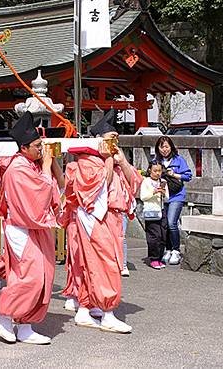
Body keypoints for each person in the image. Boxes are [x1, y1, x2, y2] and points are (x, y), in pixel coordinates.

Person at [0, 112, 63, 345]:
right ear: (23, 147)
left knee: (42, 275)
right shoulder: (18, 169)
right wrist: (48, 165)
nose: (41, 150)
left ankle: (25, 325)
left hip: (32, 227)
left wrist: (47, 166)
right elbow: (39, 193)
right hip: (21, 227)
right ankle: (5, 315)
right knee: (30, 277)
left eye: (41, 145)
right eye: (37, 146)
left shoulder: (28, 164)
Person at [68, 110, 141, 333]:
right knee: (103, 263)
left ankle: (85, 308)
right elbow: (95, 187)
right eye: (111, 139)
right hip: (97, 216)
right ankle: (107, 312)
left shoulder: (116, 160)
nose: (114, 143)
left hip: (113, 217)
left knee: (102, 263)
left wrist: (123, 162)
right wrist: (109, 160)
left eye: (116, 139)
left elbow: (135, 183)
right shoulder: (87, 161)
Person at [154, 135, 192, 265]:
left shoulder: (178, 160)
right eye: (161, 147)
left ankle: (176, 250)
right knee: (164, 224)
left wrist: (174, 174)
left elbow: (188, 176)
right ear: (158, 148)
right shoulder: (156, 161)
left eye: (166, 146)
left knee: (171, 223)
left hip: (177, 196)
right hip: (162, 197)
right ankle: (168, 249)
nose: (164, 149)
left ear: (171, 147)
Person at [140, 161, 168, 269]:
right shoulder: (146, 182)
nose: (157, 173)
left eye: (159, 171)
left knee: (163, 235)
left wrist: (163, 193)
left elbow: (168, 198)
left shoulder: (163, 181)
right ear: (150, 170)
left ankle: (159, 258)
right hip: (151, 211)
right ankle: (153, 258)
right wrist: (154, 192)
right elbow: (143, 197)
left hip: (161, 210)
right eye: (155, 170)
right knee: (154, 236)